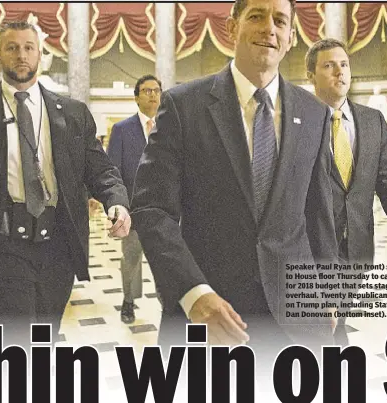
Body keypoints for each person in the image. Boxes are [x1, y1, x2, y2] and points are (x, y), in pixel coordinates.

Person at [131, 0, 338, 358]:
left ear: (290, 37)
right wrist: (194, 294)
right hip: (211, 314)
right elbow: (152, 209)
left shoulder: (315, 113)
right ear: (231, 28)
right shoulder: (183, 106)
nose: (268, 29)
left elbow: (318, 212)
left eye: (280, 20)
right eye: (256, 16)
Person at [0, 21, 131, 347]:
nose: (21, 55)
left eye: (29, 47)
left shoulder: (72, 113)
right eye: (12, 47)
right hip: (5, 247)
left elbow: (100, 169)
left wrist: (117, 200)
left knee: (46, 337)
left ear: (40, 54)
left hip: (58, 246)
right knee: (17, 344)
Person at [305, 38, 387, 345]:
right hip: (310, 252)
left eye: (344, 64)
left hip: (357, 249)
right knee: (324, 331)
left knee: (336, 322)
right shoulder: (298, 123)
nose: (339, 72)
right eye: (329, 65)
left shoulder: (373, 121)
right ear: (311, 75)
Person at [107, 75, 162, 324]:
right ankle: (128, 302)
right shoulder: (122, 129)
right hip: (133, 208)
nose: (152, 95)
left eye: (156, 90)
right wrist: (118, 205)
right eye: (146, 90)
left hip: (164, 211)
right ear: (136, 97)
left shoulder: (170, 126)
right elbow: (112, 170)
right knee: (131, 258)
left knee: (166, 259)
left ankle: (168, 303)